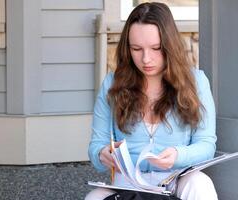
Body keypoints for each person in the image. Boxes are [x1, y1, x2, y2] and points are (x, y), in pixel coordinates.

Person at [86, 2, 218, 200]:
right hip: (128, 184)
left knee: (201, 184)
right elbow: (96, 146)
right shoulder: (112, 84)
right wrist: (102, 153)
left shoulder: (196, 82)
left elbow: (207, 145)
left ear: (170, 45)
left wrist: (178, 155)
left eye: (156, 48)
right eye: (136, 49)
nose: (146, 59)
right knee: (93, 198)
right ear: (127, 48)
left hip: (176, 180)